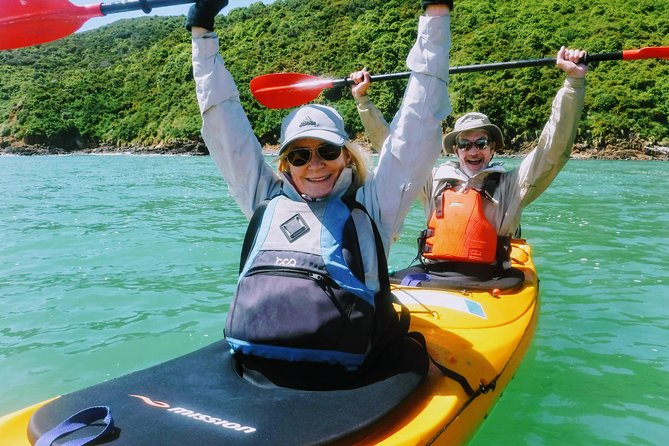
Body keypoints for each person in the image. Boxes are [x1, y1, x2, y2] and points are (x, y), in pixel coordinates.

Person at [187, 0, 453, 379]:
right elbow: (223, 124)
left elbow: (420, 117)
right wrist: (202, 34)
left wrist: (435, 15)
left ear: (346, 156)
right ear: (284, 164)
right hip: (260, 365)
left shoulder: (374, 205)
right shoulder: (265, 199)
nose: (314, 164)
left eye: (326, 151)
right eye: (299, 155)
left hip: (347, 372)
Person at [353, 46, 587, 274]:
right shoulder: (432, 180)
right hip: (434, 272)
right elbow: (393, 149)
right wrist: (362, 101)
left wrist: (573, 84)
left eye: (481, 143)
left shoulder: (513, 185)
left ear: (492, 148)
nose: (473, 151)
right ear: (456, 150)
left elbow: (553, 150)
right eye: (465, 144)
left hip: (490, 278)